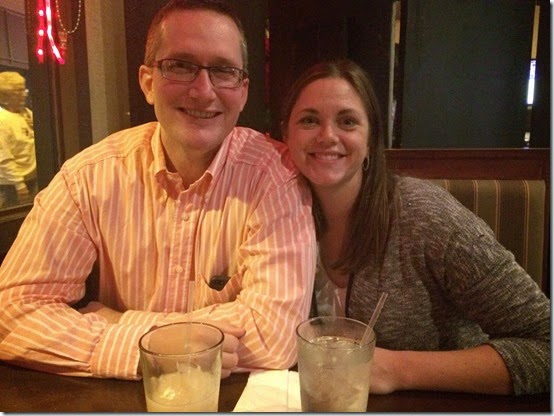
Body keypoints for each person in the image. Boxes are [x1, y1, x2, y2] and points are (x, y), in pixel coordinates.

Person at [0, 0, 316, 380]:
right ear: (148, 82)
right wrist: (148, 347)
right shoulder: (88, 177)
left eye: (223, 71)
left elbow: (275, 335)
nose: (203, 91)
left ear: (243, 91)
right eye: (180, 65)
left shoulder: (275, 176)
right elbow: (12, 312)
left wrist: (122, 323)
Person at [280, 59, 550, 395]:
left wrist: (397, 370)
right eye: (309, 120)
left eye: (347, 121)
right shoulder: (273, 216)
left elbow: (545, 343)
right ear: (286, 135)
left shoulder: (425, 216)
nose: (327, 136)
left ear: (371, 138)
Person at [0, 71, 36, 208]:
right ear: (5, 96)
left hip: (32, 178)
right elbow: (3, 157)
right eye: (18, 91)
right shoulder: (3, 121)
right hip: (13, 185)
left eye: (23, 89)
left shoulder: (26, 114)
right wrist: (19, 184)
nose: (24, 94)